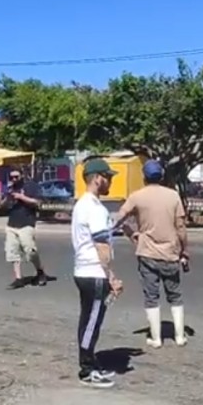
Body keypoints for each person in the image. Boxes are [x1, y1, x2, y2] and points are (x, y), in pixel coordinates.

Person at [114, 160, 189, 348]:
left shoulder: (137, 196)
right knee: (175, 295)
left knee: (151, 295)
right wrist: (184, 250)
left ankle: (156, 338)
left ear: (144, 177)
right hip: (170, 252)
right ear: (162, 176)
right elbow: (180, 227)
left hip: (147, 253)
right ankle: (179, 336)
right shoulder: (173, 196)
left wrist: (128, 232)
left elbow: (119, 217)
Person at [71, 158, 123, 388]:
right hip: (94, 272)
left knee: (88, 319)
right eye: (108, 177)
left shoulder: (82, 204)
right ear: (97, 178)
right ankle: (87, 369)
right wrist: (111, 276)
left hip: (84, 270)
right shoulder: (94, 208)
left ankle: (90, 360)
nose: (110, 181)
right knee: (92, 321)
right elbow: (101, 245)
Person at [5, 169, 48, 288]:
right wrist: (6, 199)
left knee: (30, 250)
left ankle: (40, 271)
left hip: (26, 222)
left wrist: (22, 197)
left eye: (16, 177)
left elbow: (37, 202)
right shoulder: (10, 188)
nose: (14, 179)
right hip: (12, 223)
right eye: (11, 177)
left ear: (22, 176)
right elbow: (4, 203)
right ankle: (18, 278)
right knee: (12, 251)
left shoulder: (30, 186)